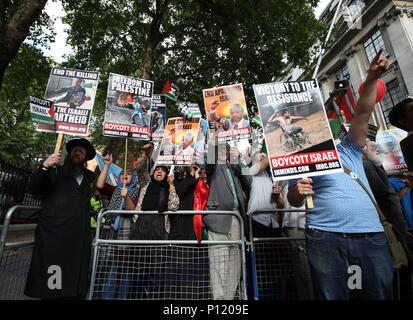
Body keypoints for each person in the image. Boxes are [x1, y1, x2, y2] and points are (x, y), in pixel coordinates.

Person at [287, 48, 393, 300]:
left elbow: (363, 113)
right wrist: (296, 190)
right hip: (325, 239)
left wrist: (369, 80)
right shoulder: (297, 159)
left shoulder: (348, 148)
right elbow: (293, 199)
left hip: (370, 236)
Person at [25, 138, 96, 299]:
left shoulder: (88, 177)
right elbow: (35, 189)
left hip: (78, 236)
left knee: (74, 275)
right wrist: (44, 166)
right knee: (53, 276)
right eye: (75, 150)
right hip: (55, 234)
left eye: (82, 152)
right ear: (69, 154)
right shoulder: (55, 171)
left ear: (85, 158)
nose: (78, 153)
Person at [363, 139, 413, 300]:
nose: (376, 149)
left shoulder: (373, 167)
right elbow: (383, 197)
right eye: (372, 147)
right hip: (388, 230)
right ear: (364, 151)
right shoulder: (367, 167)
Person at [204, 137, 251, 300]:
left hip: (237, 220)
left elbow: (249, 179)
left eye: (226, 150)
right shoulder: (214, 169)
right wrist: (213, 135)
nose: (223, 153)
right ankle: (219, 300)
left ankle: (229, 301)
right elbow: (209, 159)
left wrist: (239, 160)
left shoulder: (234, 169)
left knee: (235, 266)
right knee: (218, 265)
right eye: (220, 150)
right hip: (218, 220)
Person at [127, 165, 179, 298]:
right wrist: (146, 154)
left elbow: (174, 206)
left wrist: (171, 185)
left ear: (167, 175)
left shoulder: (169, 188)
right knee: (139, 270)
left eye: (162, 171)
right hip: (141, 231)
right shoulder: (146, 185)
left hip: (160, 233)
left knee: (157, 271)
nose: (159, 172)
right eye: (157, 170)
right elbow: (139, 169)